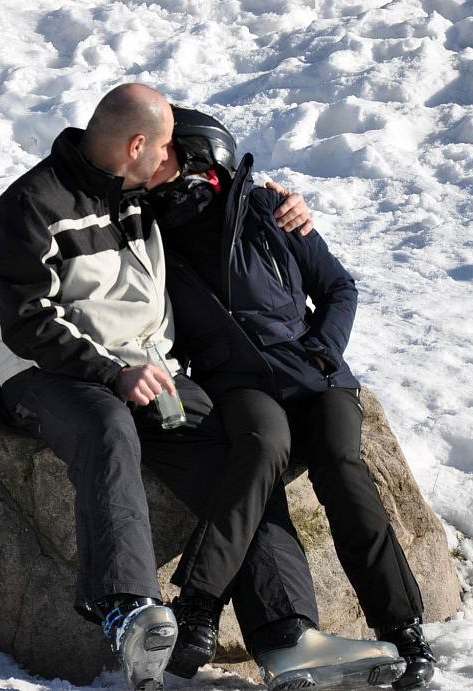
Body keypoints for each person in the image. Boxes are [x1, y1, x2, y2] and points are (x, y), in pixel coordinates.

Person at [0, 83, 402, 691]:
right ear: (137, 144)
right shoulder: (26, 207)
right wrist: (112, 373)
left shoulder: (135, 196)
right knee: (108, 425)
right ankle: (128, 610)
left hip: (152, 373)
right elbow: (27, 322)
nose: (174, 159)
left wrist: (289, 214)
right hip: (55, 377)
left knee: (249, 452)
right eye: (167, 146)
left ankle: (287, 636)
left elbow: (219, 208)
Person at [146, 106, 437, 690]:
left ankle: (403, 629)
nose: (151, 158)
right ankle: (198, 610)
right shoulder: (146, 231)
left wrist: (324, 351)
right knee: (259, 444)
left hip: (312, 376)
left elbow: (337, 287)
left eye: (163, 149)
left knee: (341, 465)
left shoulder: (267, 209)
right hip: (239, 383)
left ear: (198, 156)